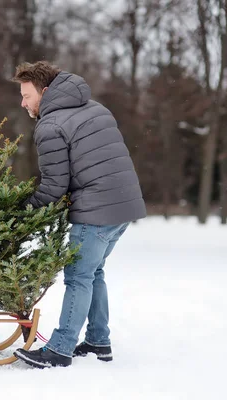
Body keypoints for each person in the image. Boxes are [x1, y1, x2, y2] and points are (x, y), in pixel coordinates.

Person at [12, 61, 146, 368]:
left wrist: (23, 210)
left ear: (45, 92)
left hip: (95, 209)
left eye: (27, 95)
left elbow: (55, 185)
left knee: (78, 277)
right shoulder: (96, 108)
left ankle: (59, 349)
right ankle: (99, 341)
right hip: (123, 206)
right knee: (94, 272)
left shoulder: (50, 126)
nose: (23, 102)